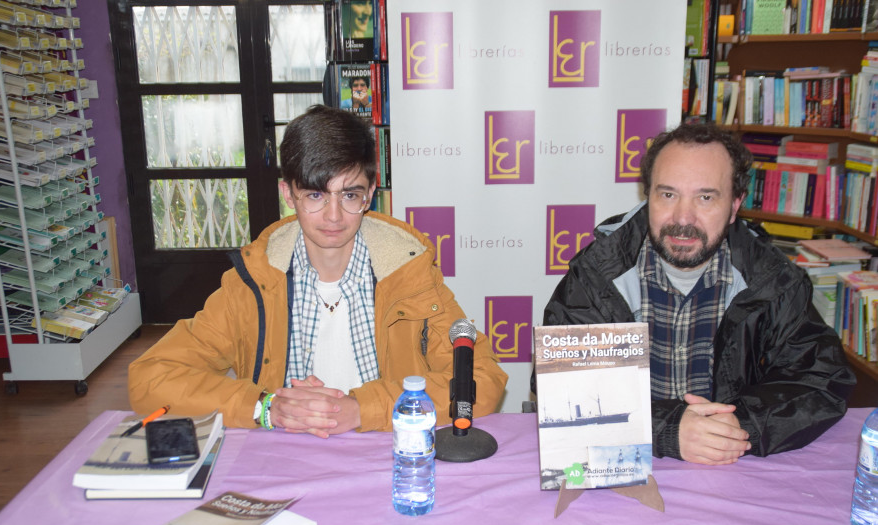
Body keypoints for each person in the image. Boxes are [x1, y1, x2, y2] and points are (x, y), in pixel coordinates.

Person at [129, 105, 507, 436]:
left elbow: (483, 381)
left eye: (349, 195)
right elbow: (150, 377)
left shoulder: (411, 276)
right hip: (283, 462)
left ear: (371, 193)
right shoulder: (253, 283)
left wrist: (363, 409)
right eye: (314, 194)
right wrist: (265, 408)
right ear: (287, 193)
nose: (333, 216)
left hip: (389, 453)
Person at [542, 121, 854, 465]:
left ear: (735, 205)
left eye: (705, 197)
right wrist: (666, 430)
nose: (683, 218)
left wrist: (738, 425)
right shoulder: (596, 276)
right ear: (648, 196)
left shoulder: (774, 281)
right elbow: (564, 392)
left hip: (731, 465)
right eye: (668, 194)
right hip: (628, 465)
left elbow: (820, 380)